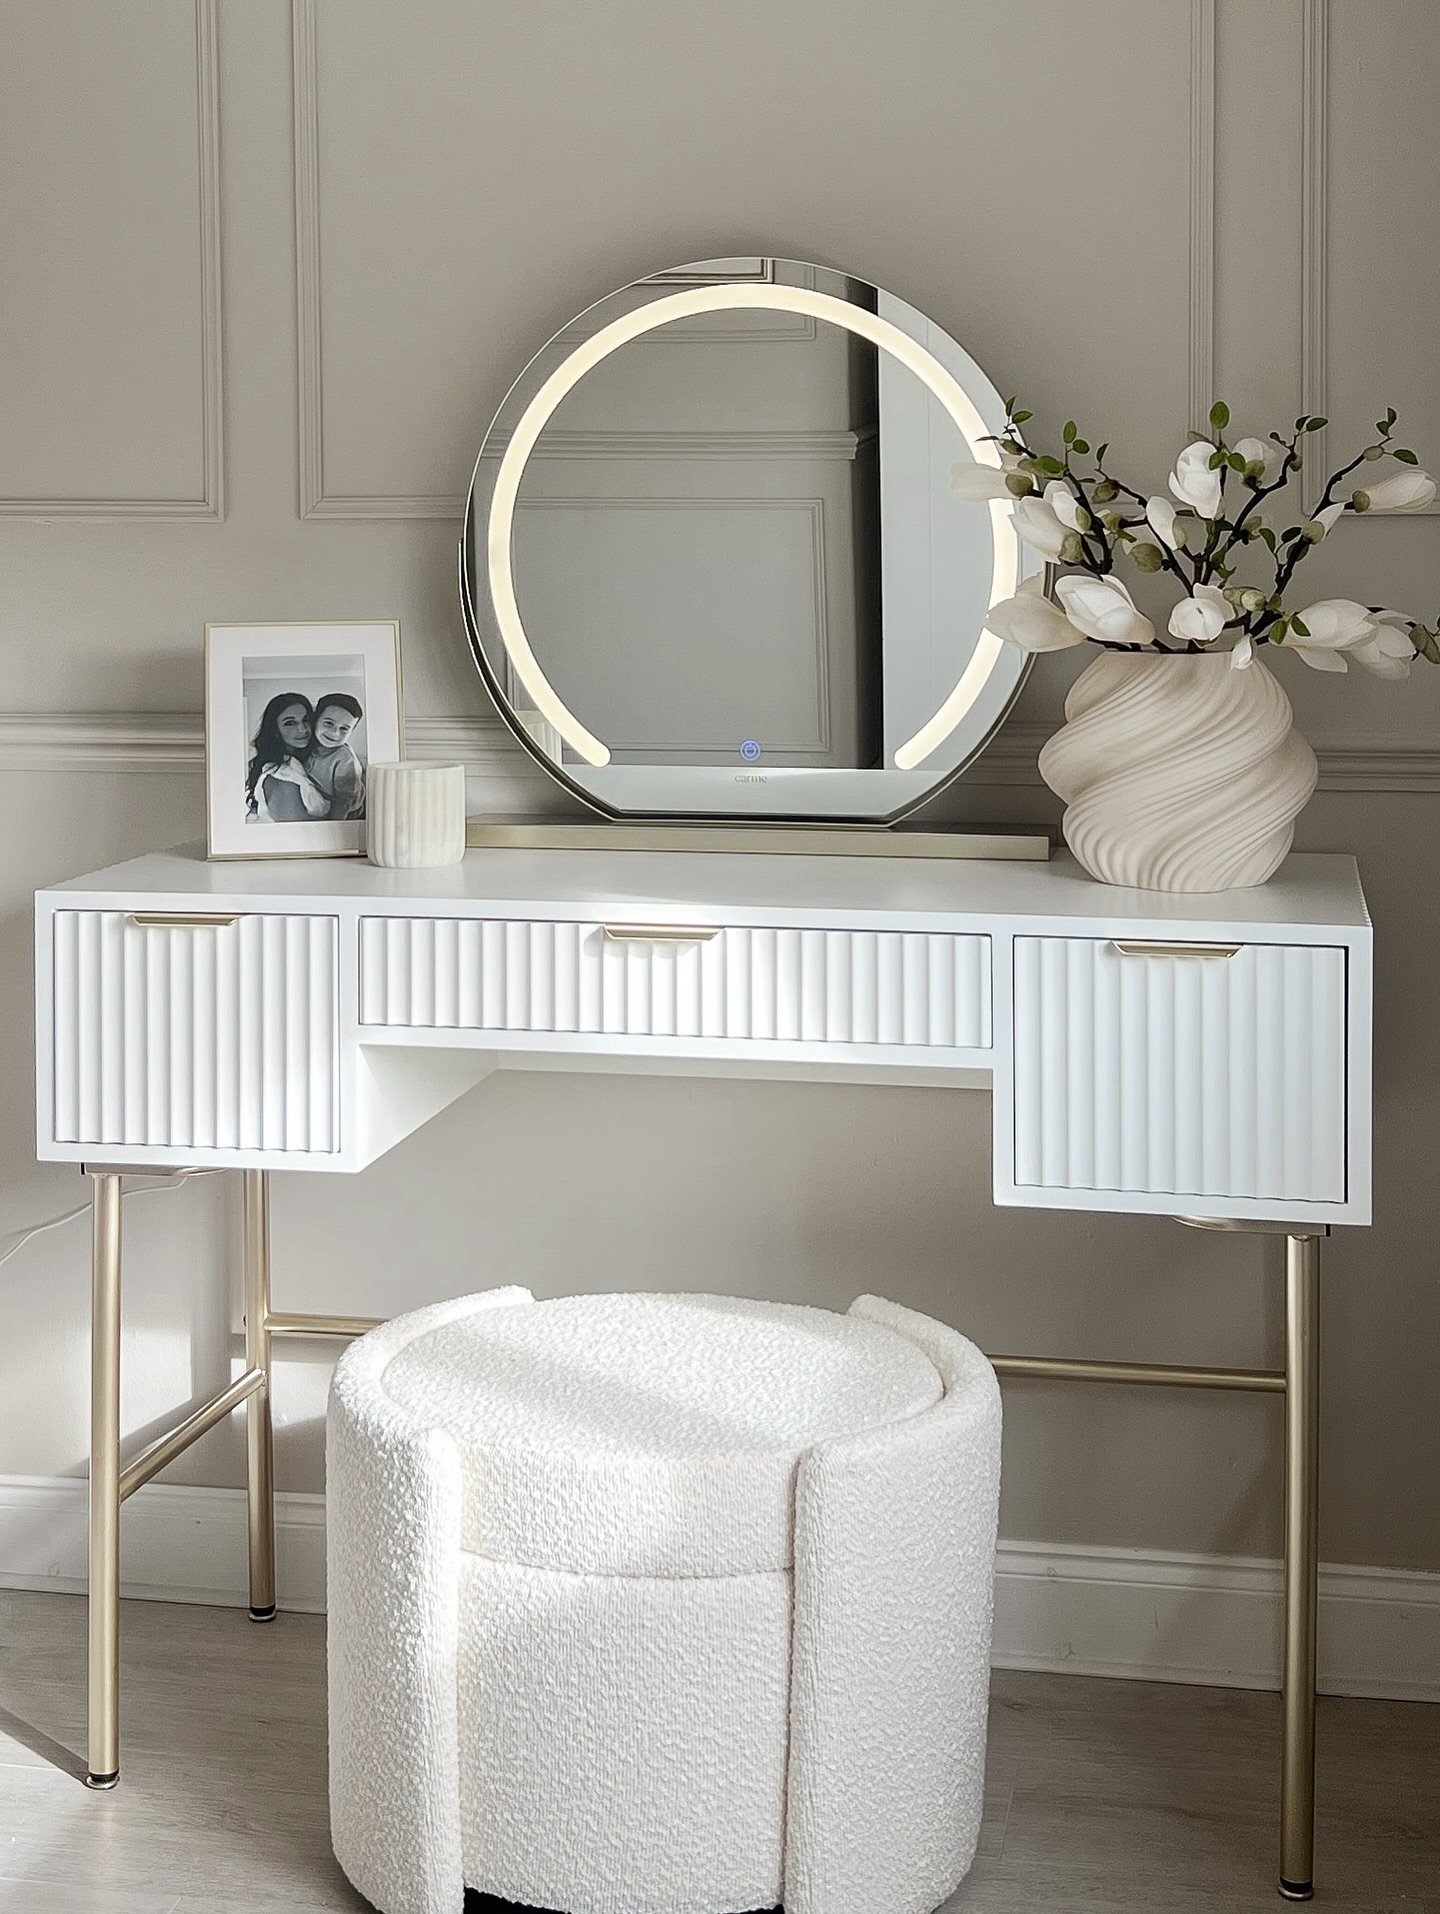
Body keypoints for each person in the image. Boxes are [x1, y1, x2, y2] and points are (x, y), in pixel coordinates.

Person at [246, 694, 327, 822]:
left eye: (306, 720)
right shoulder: (280, 776)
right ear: (276, 731)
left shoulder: (312, 762)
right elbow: (296, 831)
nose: (302, 729)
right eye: (290, 723)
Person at [306, 693, 366, 820]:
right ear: (315, 720)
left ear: (351, 731)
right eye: (328, 723)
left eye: (344, 729)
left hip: (348, 812)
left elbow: (343, 802)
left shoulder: (345, 760)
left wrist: (332, 826)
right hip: (320, 798)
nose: (335, 733)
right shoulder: (307, 742)